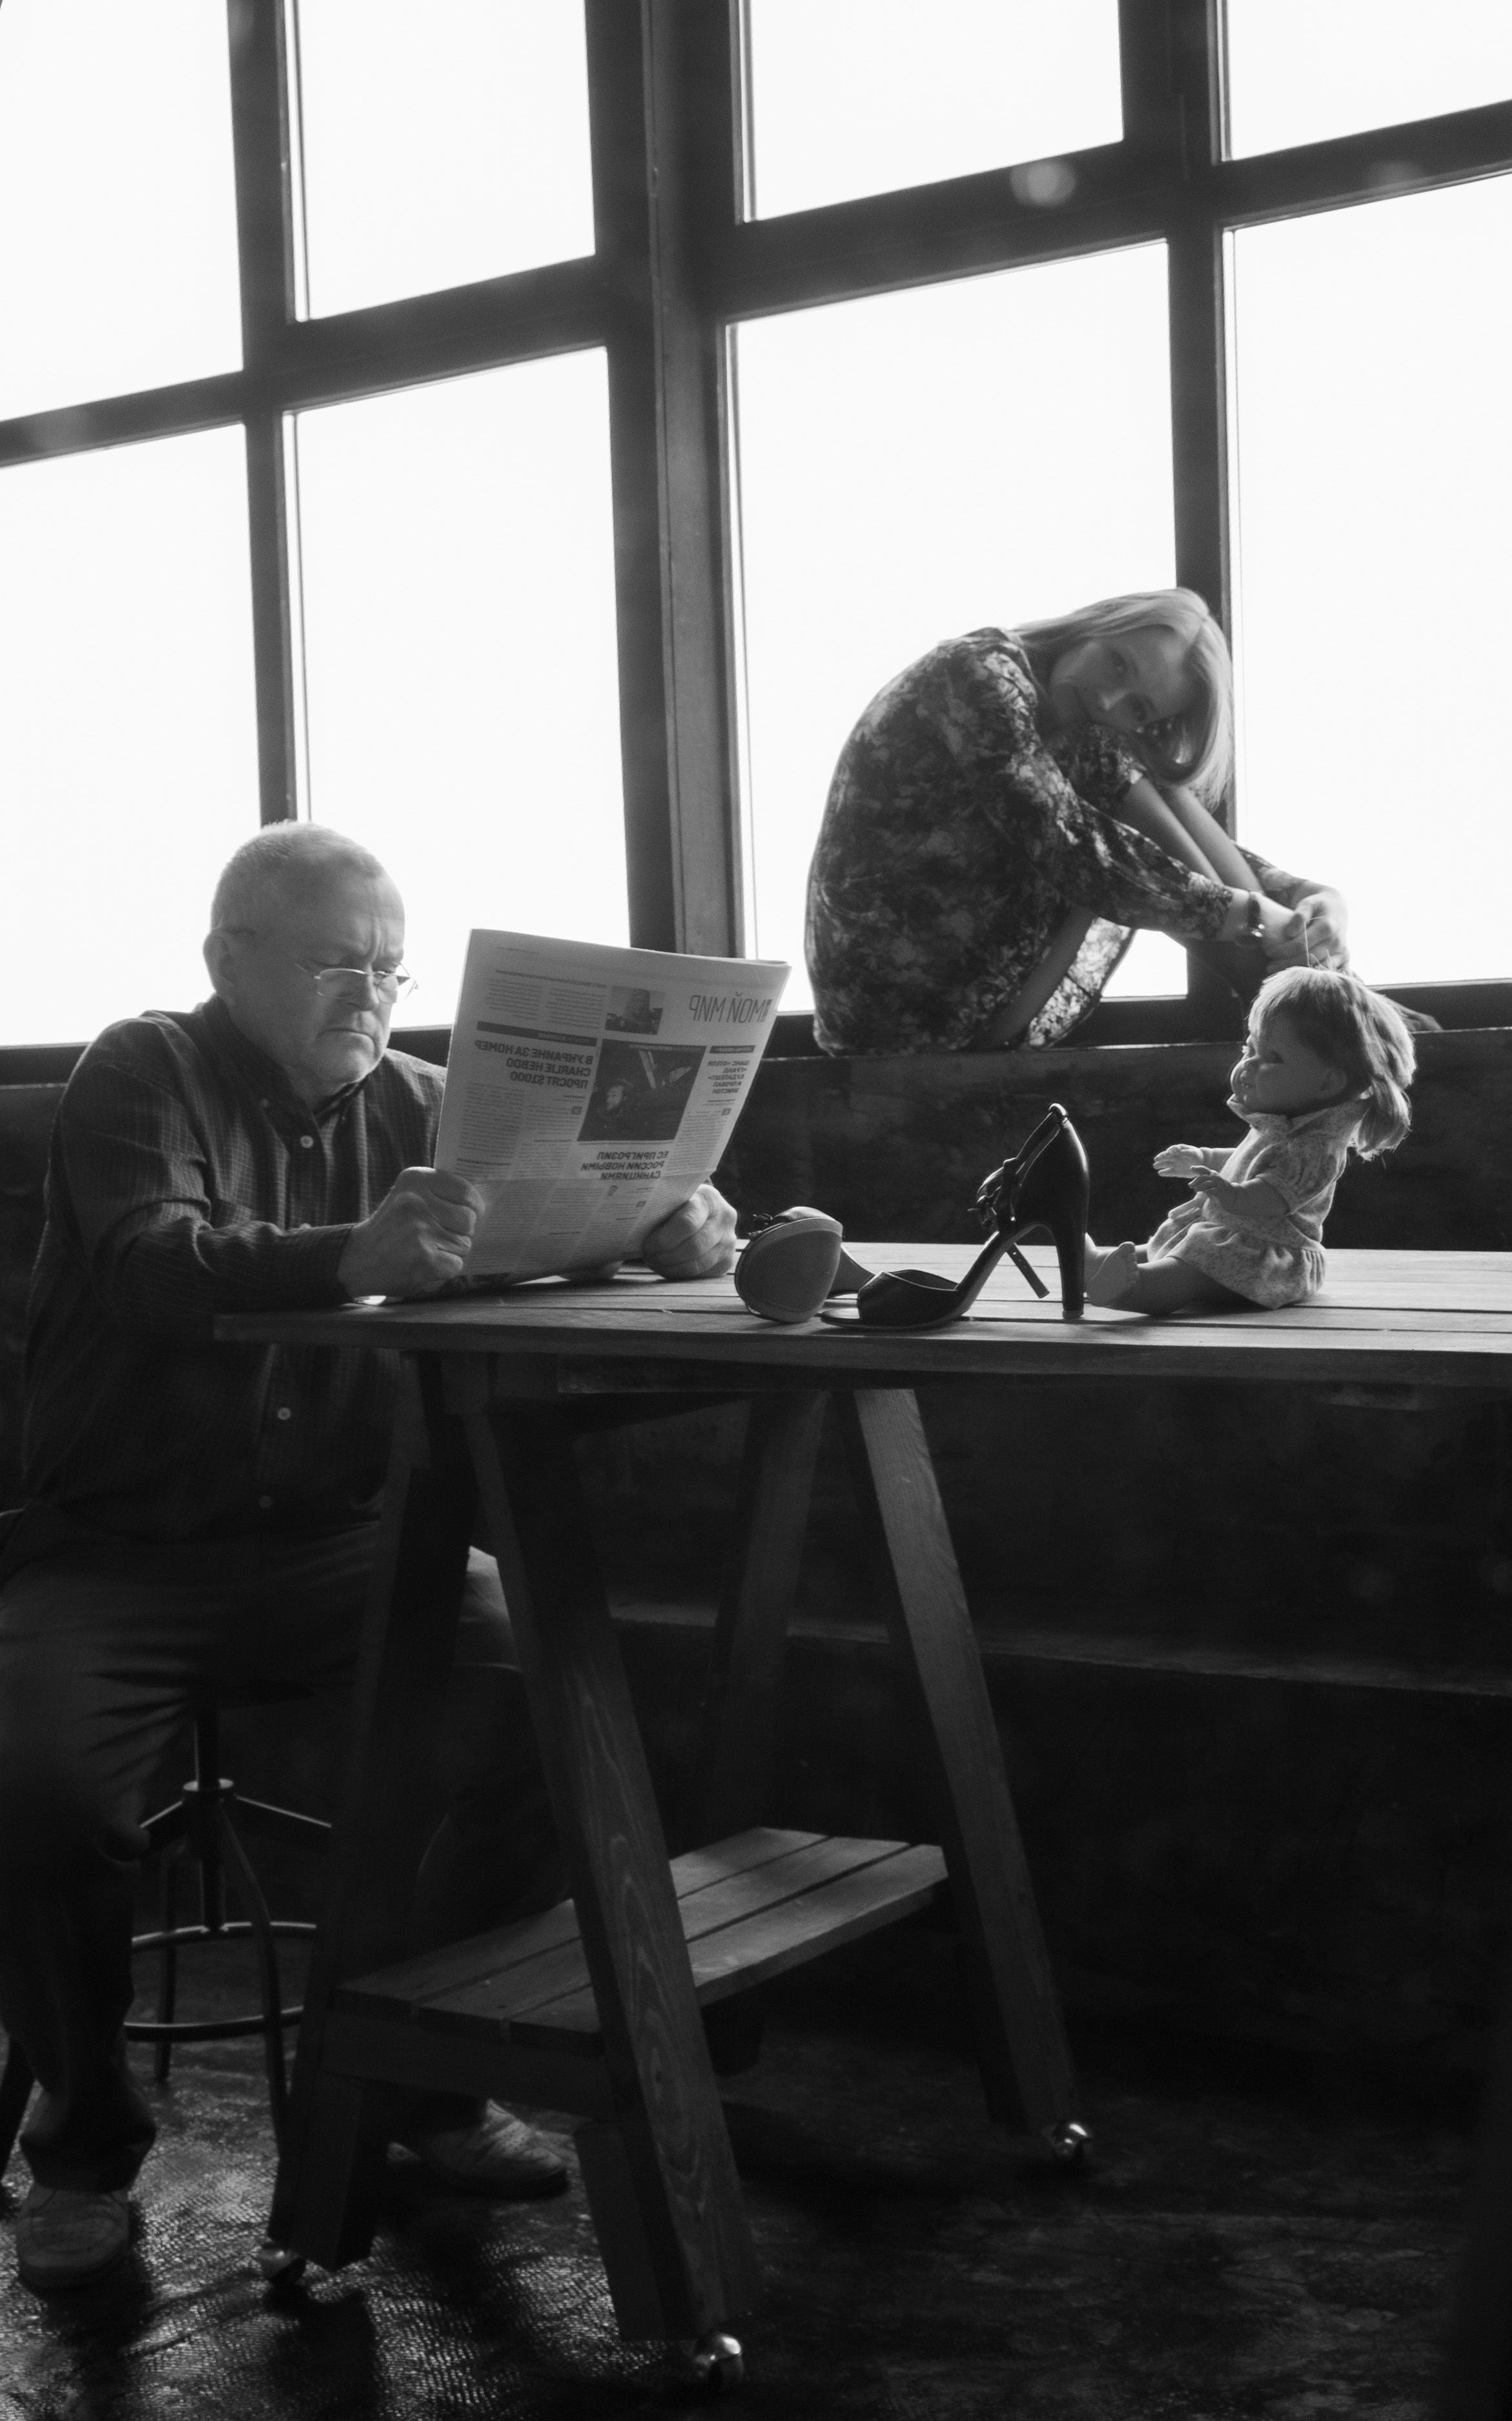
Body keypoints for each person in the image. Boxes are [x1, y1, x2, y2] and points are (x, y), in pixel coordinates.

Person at [0, 823, 738, 2292]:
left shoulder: (425, 1104)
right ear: (230, 961)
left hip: (352, 1548)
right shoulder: (140, 1072)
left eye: (392, 965)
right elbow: (156, 1261)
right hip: (116, 1554)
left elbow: (540, 1237)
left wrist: (673, 1227)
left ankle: (417, 2088)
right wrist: (351, 1255)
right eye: (342, 960)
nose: (374, 990)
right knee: (43, 1789)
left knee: (553, 1698)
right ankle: (80, 2145)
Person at [804, 591, 1350, 1055]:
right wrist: (1255, 916)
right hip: (897, 1009)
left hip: (976, 1012)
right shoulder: (976, 673)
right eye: (1117, 663)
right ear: (1097, 625)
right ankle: (1318, 1005)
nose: (1110, 699)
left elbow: (1137, 847)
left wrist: (1308, 897)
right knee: (1103, 755)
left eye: (1140, 709)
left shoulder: (1074, 743)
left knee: (1118, 761)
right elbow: (1071, 847)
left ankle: (1312, 993)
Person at [1083, 967, 1416, 1314]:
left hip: (1266, 1255)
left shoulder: (1316, 1148)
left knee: (1192, 1267)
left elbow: (1273, 1196)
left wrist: (1231, 1193)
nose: (1248, 1065)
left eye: (1273, 1058)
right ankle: (1094, 1266)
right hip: (1230, 1235)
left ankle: (1137, 1290)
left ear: (1327, 1084)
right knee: (1171, 1243)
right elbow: (1249, 1160)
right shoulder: (1281, 1127)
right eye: (1250, 1048)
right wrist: (1205, 1156)